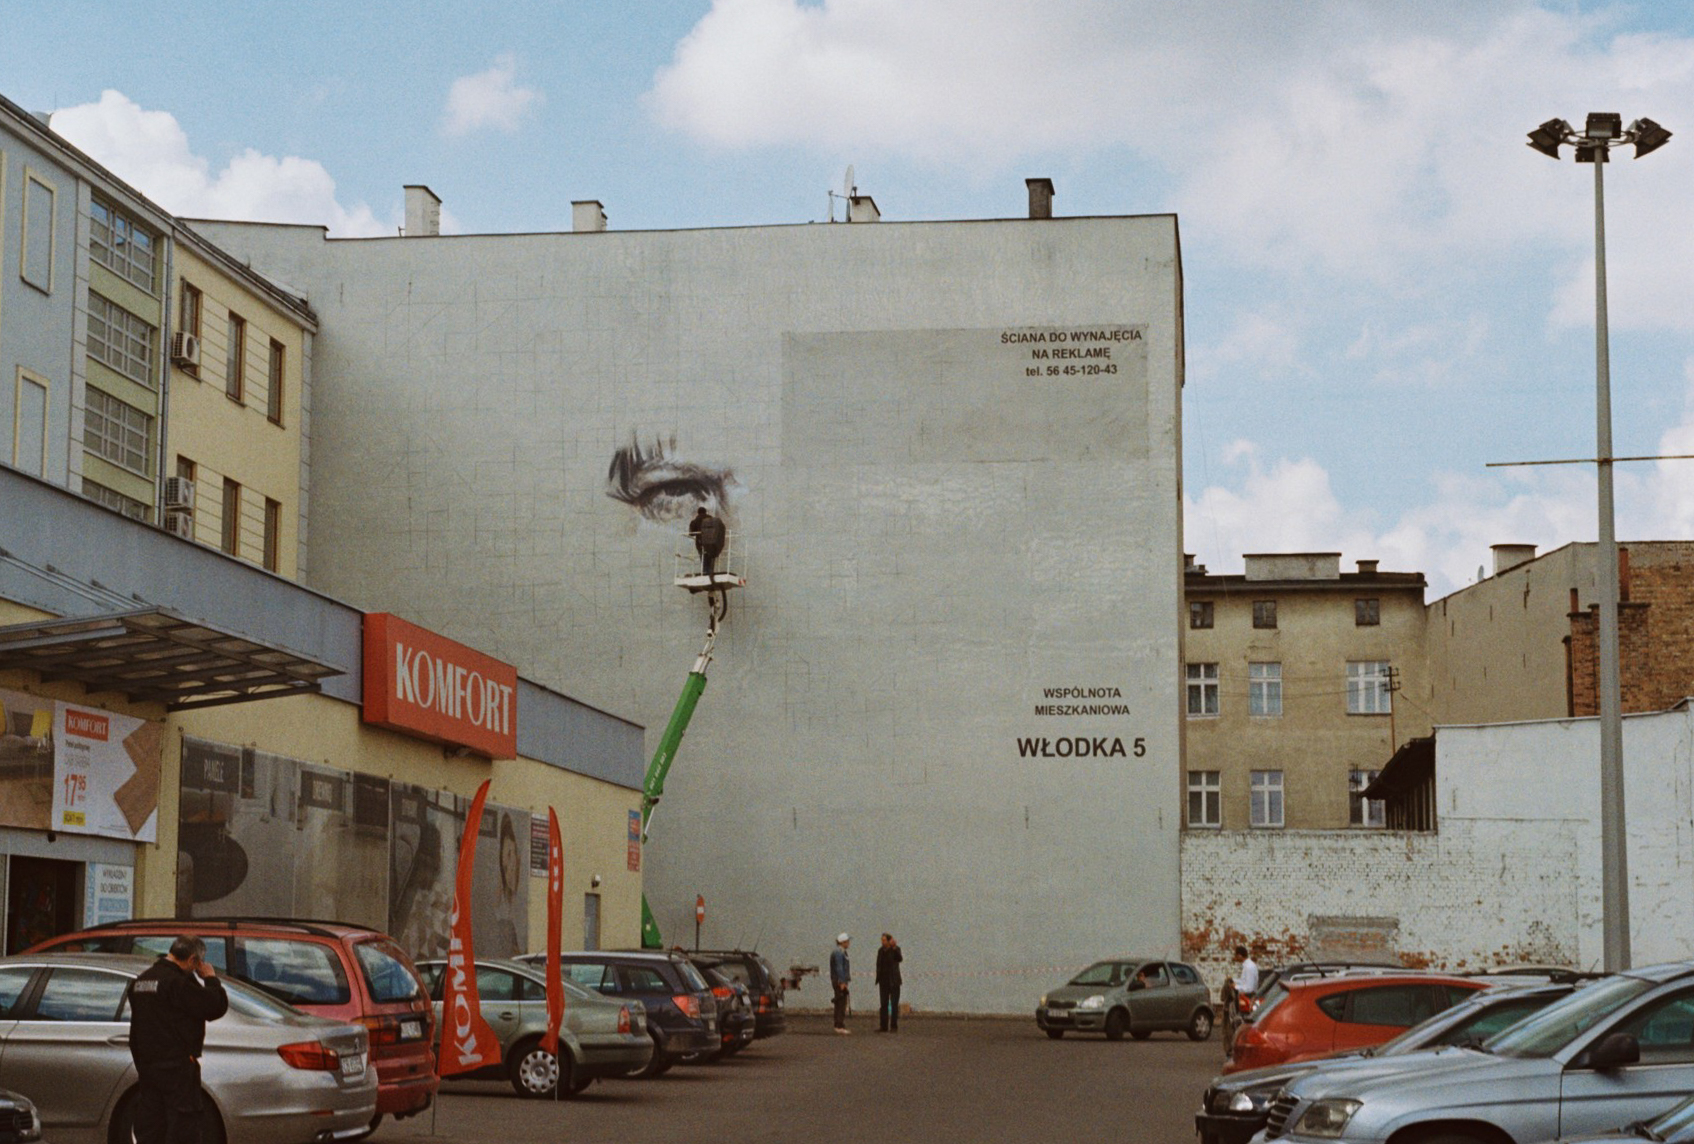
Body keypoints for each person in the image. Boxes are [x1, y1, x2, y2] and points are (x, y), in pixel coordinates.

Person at [128, 935, 229, 1144]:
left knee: (151, 1128)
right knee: (184, 1128)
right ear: (192, 960)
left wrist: (143, 1064)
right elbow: (214, 1006)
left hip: (149, 1068)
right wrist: (210, 978)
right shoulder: (177, 983)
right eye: (197, 964)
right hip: (177, 1069)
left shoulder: (142, 981)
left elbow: (135, 1031)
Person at [875, 932, 903, 1033]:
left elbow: (899, 958)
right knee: (883, 1004)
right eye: (881, 940)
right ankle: (883, 1026)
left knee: (894, 1004)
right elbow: (878, 964)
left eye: (884, 940)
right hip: (883, 982)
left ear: (889, 941)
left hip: (894, 981)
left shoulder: (896, 950)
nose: (882, 942)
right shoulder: (880, 951)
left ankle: (894, 1026)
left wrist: (894, 948)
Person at [689, 506, 726, 577]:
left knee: (703, 557)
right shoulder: (712, 519)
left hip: (700, 543)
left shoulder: (695, 521)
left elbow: (691, 533)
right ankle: (710, 572)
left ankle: (705, 572)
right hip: (713, 542)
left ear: (698, 512)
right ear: (705, 512)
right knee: (711, 557)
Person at [830, 933, 851, 1034]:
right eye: (847, 941)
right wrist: (842, 981)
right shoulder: (839, 953)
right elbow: (839, 968)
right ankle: (839, 1025)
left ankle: (838, 1024)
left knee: (840, 1002)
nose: (849, 943)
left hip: (839, 981)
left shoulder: (841, 952)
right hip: (839, 982)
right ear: (843, 942)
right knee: (841, 1003)